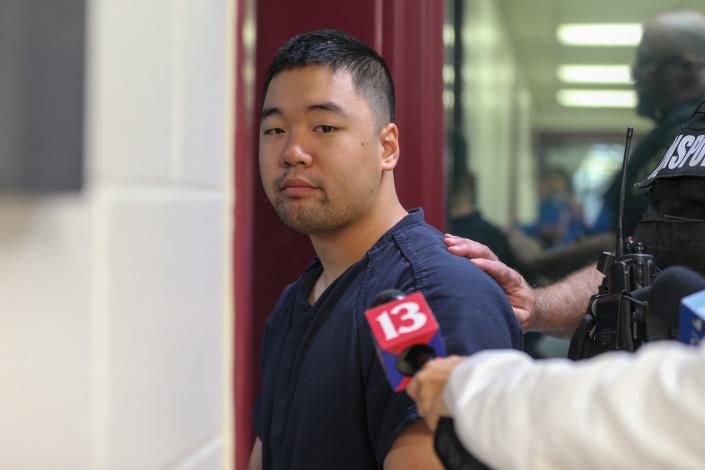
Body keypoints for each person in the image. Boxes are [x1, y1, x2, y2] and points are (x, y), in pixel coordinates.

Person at [250, 30, 521, 470]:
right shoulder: (294, 304)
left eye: (324, 127)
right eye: (275, 129)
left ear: (387, 147)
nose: (293, 152)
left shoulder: (427, 299)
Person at [593, 10, 705, 236]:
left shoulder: (694, 137)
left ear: (687, 67)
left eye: (646, 61)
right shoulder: (667, 133)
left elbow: (657, 240)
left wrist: (540, 261)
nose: (635, 73)